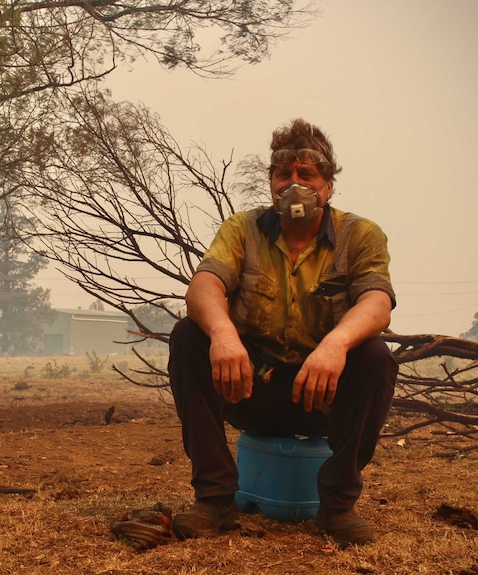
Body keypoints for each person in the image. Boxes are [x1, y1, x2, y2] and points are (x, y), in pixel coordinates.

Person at [168, 118, 398, 547]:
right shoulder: (243, 229)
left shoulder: (360, 235)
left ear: (328, 186)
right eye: (283, 174)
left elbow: (377, 303)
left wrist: (335, 345)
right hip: (249, 389)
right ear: (271, 182)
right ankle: (216, 498)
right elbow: (204, 285)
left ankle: (336, 506)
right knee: (187, 336)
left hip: (323, 396)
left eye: (307, 175)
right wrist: (222, 334)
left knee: (376, 358)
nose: (294, 184)